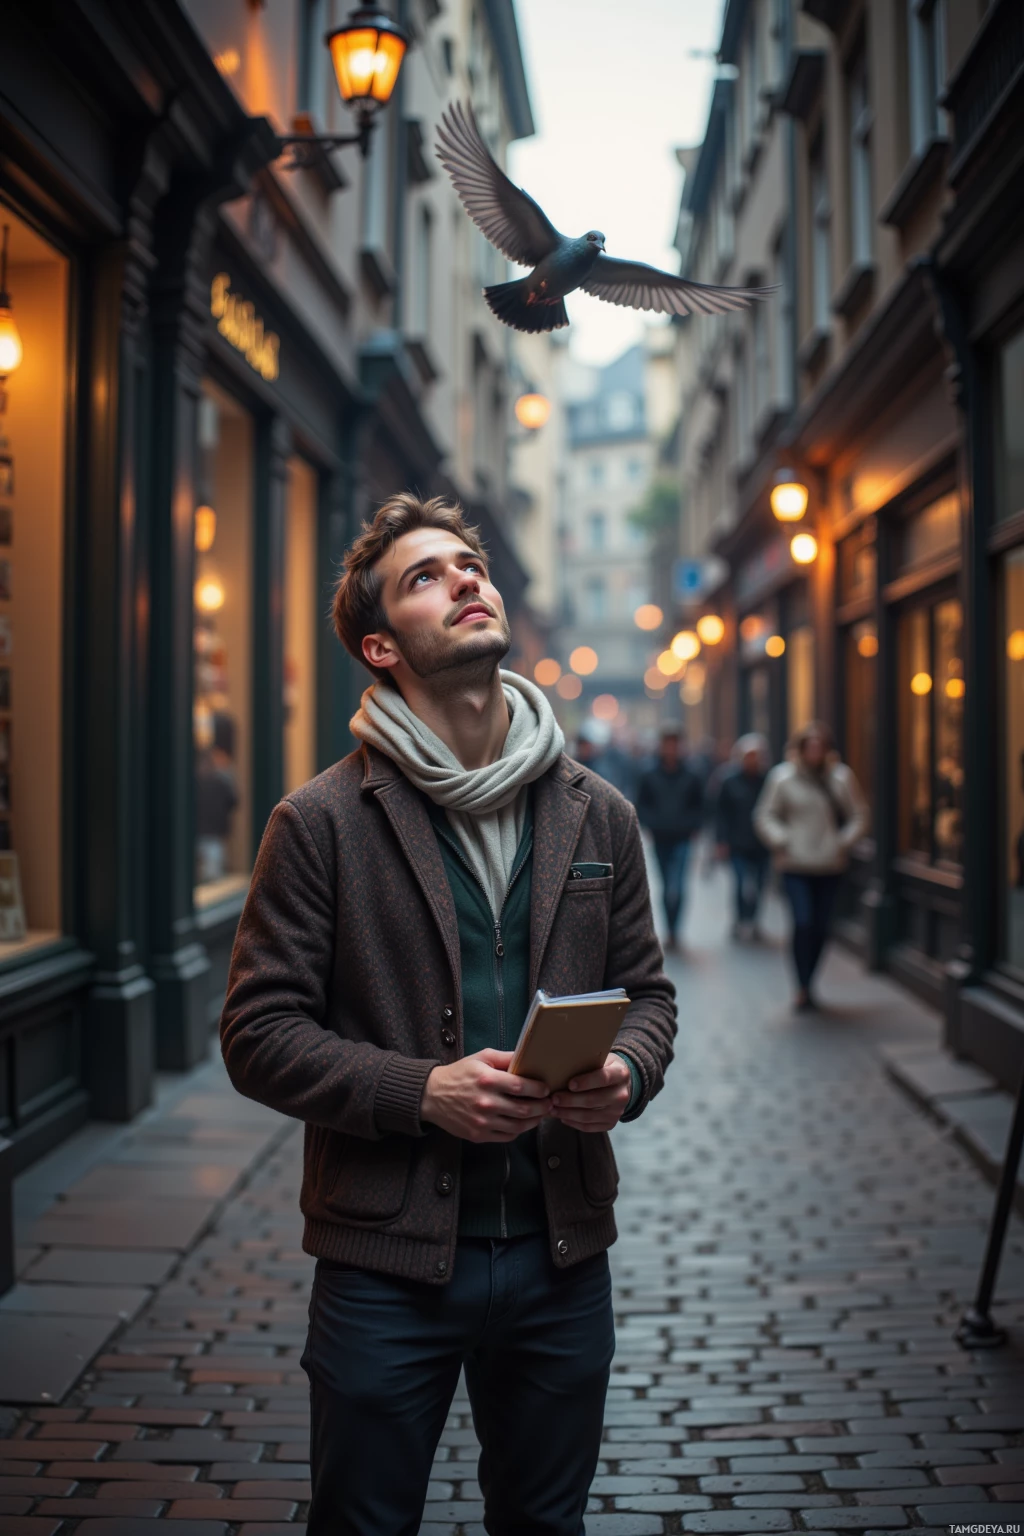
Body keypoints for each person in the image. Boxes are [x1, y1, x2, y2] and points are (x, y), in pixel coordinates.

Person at [219, 493, 676, 1536]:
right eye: (427, 576)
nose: (467, 578)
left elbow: (647, 994)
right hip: (385, 1265)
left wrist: (627, 1075)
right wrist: (420, 1092)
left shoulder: (596, 809)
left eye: (469, 563)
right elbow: (255, 1033)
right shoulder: (322, 821)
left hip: (561, 1252)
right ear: (380, 646)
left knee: (544, 1524)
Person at [754, 720, 869, 1011]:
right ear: (801, 748)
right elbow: (765, 815)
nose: (815, 751)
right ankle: (802, 986)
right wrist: (783, 839)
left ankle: (810, 981)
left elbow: (859, 815)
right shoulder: (783, 778)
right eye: (810, 746)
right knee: (803, 923)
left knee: (821, 927)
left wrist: (841, 842)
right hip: (795, 864)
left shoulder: (841, 778)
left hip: (829, 865)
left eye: (820, 746)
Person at [636, 726, 705, 952]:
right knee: (666, 886)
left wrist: (694, 825)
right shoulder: (649, 773)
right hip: (660, 836)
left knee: (678, 885)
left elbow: (701, 804)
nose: (672, 749)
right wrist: (649, 824)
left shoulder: (692, 774)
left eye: (675, 744)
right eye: (668, 744)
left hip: (683, 837)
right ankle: (670, 929)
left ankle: (676, 930)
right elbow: (641, 803)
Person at [714, 733, 770, 939]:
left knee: (758, 886)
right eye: (749, 756)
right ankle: (739, 919)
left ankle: (754, 921)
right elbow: (721, 813)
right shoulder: (729, 781)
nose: (753, 761)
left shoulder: (768, 780)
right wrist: (721, 841)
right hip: (737, 843)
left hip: (761, 844)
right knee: (739, 884)